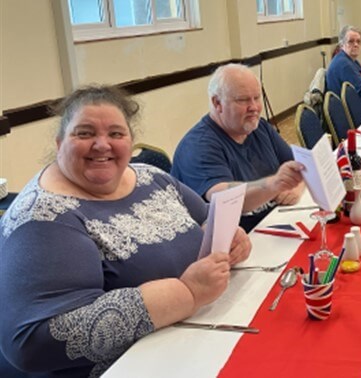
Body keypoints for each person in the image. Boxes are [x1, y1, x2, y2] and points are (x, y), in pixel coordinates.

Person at [0, 86, 253, 377]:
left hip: (200, 339)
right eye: (84, 133)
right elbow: (31, 343)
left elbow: (209, 219)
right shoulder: (42, 219)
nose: (102, 145)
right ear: (59, 144)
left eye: (116, 134)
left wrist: (232, 239)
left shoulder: (151, 177)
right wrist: (185, 294)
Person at [171, 64, 305, 232]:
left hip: (274, 222)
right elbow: (225, 199)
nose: (254, 107)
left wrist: (296, 188)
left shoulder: (259, 127)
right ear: (217, 103)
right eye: (243, 100)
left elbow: (299, 166)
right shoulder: (197, 146)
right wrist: (275, 184)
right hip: (236, 241)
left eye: (257, 98)